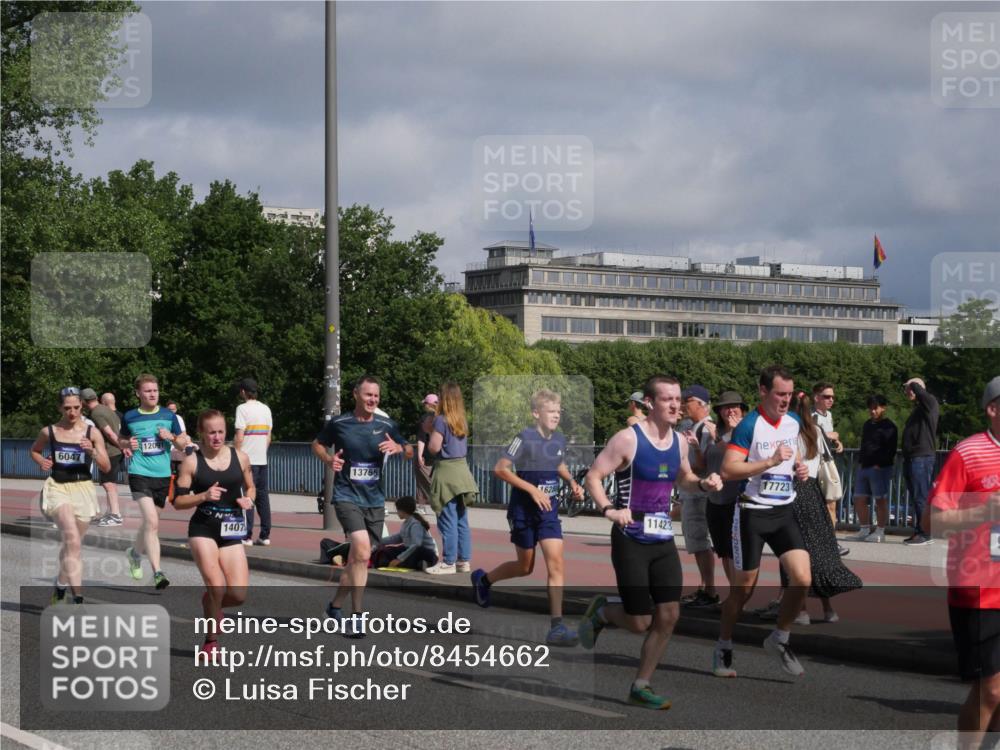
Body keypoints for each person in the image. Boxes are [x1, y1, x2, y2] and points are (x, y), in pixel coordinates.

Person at [579, 375, 722, 709]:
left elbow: (684, 478)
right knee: (640, 621)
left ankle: (640, 685)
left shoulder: (680, 442)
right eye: (667, 399)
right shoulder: (628, 439)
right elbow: (593, 476)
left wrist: (704, 484)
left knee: (669, 615)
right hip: (630, 536)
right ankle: (603, 612)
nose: (675, 405)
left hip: (662, 539)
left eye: (678, 399)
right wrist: (609, 510)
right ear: (649, 402)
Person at [713, 365, 811, 679]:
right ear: (763, 391)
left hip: (783, 511)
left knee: (802, 578)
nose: (786, 400)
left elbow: (792, 454)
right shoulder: (749, 426)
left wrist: (799, 467)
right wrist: (769, 462)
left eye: (790, 394)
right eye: (780, 394)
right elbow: (729, 470)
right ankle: (724, 644)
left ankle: (779, 638)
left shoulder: (793, 421)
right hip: (752, 513)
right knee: (743, 592)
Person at [472, 388, 584, 646]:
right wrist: (531, 489)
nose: (556, 416)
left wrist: (571, 483)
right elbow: (501, 469)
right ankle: (484, 579)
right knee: (525, 567)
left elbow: (558, 464)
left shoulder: (559, 439)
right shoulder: (524, 437)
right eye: (551, 411)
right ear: (536, 413)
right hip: (523, 511)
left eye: (559, 411)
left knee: (556, 563)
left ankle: (556, 627)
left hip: (549, 513)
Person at [928, 376, 1000, 748]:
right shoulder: (968, 453)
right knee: (989, 690)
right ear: (992, 409)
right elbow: (936, 521)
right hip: (979, 590)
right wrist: (982, 511)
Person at [312, 376, 407, 636]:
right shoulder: (340, 423)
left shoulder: (386, 423)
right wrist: (329, 460)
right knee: (363, 551)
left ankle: (334, 607)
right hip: (345, 496)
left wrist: (399, 447)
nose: (372, 400)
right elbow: (317, 444)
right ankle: (357, 616)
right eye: (368, 395)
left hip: (374, 499)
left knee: (357, 559)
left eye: (376, 396)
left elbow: (410, 450)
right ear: (356, 394)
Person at [774, 392, 862, 625]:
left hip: (791, 493)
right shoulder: (816, 431)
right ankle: (828, 608)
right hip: (814, 494)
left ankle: (800, 609)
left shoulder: (786, 432)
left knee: (792, 550)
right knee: (820, 549)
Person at [173, 409, 255, 655]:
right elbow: (178, 502)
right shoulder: (191, 462)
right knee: (217, 586)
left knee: (238, 595)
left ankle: (211, 602)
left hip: (231, 529)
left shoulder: (240, 457)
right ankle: (210, 642)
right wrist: (203, 496)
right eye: (211, 433)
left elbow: (251, 488)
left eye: (220, 432)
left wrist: (248, 501)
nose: (217, 437)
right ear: (201, 434)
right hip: (203, 528)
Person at [30, 386, 111, 604]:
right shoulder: (50, 431)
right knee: (72, 538)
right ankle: (78, 597)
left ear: (82, 406)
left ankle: (60, 584)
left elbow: (106, 466)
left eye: (76, 407)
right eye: (67, 408)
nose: (72, 412)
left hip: (83, 489)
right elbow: (35, 450)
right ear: (60, 408)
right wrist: (41, 461)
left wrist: (92, 451)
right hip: (58, 488)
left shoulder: (91, 433)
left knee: (72, 545)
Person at [119, 374, 189, 590]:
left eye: (155, 391)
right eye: (147, 391)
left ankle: (134, 553)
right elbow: (121, 439)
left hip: (162, 476)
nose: (152, 394)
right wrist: (126, 443)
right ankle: (158, 572)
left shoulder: (170, 416)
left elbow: (183, 444)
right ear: (138, 393)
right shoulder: (130, 416)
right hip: (139, 473)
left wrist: (171, 437)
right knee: (151, 522)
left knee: (151, 523)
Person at [425, 382, 479, 575]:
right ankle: (463, 561)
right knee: (461, 519)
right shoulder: (461, 420)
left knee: (447, 518)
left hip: (446, 472)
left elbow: (434, 448)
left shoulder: (441, 420)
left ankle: (448, 562)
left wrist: (429, 430)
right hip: (462, 471)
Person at [705, 391, 748, 618]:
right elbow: (706, 461)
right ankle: (732, 596)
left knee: (736, 552)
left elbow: (739, 458)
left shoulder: (746, 431)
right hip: (715, 498)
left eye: (734, 407)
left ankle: (738, 598)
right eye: (725, 407)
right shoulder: (717, 431)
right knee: (723, 551)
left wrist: (719, 439)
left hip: (735, 499)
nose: (730, 411)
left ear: (742, 409)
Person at [677, 384, 719, 609]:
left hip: (697, 494)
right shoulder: (698, 426)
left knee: (699, 541)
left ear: (701, 404)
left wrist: (692, 449)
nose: (683, 405)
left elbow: (702, 465)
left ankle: (709, 589)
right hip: (697, 493)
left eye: (687, 401)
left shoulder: (704, 428)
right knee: (699, 542)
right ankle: (705, 588)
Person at [848, 395, 899, 543]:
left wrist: (879, 465)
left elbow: (891, 449)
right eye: (870, 407)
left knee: (880, 500)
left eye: (875, 407)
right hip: (864, 466)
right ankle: (864, 529)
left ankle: (880, 531)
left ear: (883, 408)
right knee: (858, 498)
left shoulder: (889, 426)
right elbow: (864, 445)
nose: (872, 411)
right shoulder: (867, 424)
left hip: (880, 469)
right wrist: (861, 462)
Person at [234, 377, 273, 546]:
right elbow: (268, 437)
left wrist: (236, 454)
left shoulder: (242, 409)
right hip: (262, 460)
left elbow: (239, 436)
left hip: (246, 461)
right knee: (262, 497)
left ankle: (246, 535)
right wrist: (261, 452)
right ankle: (265, 535)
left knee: (247, 496)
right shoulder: (266, 409)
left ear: (243, 391)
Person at [902, 377, 939, 545]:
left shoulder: (930, 403)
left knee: (921, 496)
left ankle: (926, 532)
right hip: (913, 457)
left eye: (909, 388)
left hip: (922, 457)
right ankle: (920, 530)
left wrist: (913, 384)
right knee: (917, 495)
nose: (907, 392)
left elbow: (921, 392)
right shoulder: (920, 408)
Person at [812, 382, 847, 554]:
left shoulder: (829, 415)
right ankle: (822, 542)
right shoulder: (811, 416)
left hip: (827, 462)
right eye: (826, 396)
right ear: (816, 397)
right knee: (819, 504)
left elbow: (827, 438)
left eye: (832, 396)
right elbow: (808, 436)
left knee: (831, 502)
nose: (831, 399)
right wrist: (829, 435)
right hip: (814, 465)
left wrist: (837, 442)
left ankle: (830, 542)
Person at [81, 388, 124, 526]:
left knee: (108, 484)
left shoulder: (96, 413)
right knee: (111, 483)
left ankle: (115, 515)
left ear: (83, 402)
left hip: (109, 452)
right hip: (115, 451)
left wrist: (121, 446)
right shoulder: (106, 410)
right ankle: (111, 512)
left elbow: (110, 433)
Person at [379, 496, 439, 570]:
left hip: (427, 553)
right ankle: (416, 564)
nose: (397, 512)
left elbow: (416, 545)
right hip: (412, 550)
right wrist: (379, 541)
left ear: (403, 511)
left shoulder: (415, 524)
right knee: (389, 550)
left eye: (397, 510)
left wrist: (399, 559)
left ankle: (423, 563)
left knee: (413, 553)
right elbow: (398, 537)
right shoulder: (406, 523)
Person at [413, 394, 438, 515]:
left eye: (425, 404)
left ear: (428, 405)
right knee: (435, 481)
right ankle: (436, 503)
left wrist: (419, 455)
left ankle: (426, 504)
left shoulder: (426, 418)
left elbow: (421, 438)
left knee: (424, 480)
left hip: (427, 455)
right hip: (440, 456)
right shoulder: (444, 417)